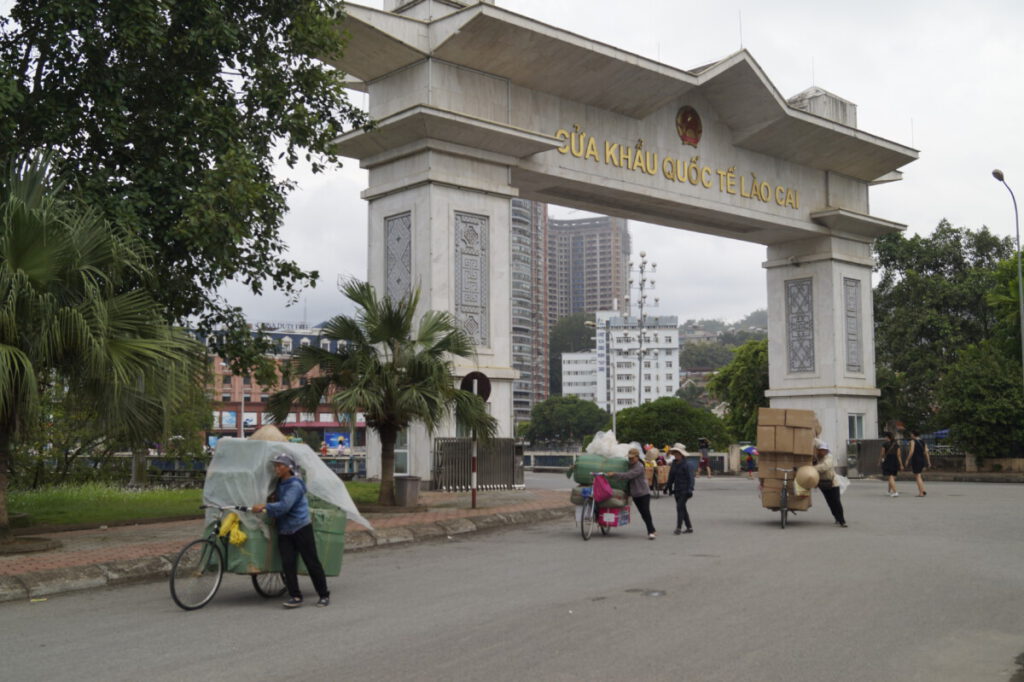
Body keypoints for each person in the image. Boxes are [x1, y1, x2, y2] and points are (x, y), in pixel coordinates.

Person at [252, 453, 330, 608]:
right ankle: (295, 596)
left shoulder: (294, 485)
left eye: (280, 465)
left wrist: (265, 506)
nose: (276, 468)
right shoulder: (280, 483)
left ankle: (323, 594)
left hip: (301, 528)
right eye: (275, 465)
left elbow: (285, 506)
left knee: (311, 562)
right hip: (285, 530)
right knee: (288, 564)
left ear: (288, 468)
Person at [607, 447, 657, 539]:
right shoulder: (629, 465)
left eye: (632, 458)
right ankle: (652, 528)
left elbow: (628, 475)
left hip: (644, 493)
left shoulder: (639, 467)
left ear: (637, 457)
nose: (630, 460)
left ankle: (651, 531)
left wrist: (614, 474)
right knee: (642, 513)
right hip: (635, 494)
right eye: (629, 458)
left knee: (646, 512)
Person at [813, 439, 847, 527]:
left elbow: (825, 466)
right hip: (822, 483)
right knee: (829, 502)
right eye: (821, 450)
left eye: (824, 450)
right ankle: (836, 517)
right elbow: (815, 440)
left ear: (827, 450)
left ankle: (842, 520)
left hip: (833, 482)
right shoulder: (816, 458)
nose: (822, 452)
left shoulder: (829, 457)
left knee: (836, 501)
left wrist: (813, 468)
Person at [664, 443, 694, 534]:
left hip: (685, 490)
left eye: (678, 453)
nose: (676, 455)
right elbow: (671, 477)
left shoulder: (687, 465)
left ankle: (679, 528)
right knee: (682, 508)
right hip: (677, 490)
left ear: (682, 454)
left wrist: (690, 489)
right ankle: (689, 527)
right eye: (675, 453)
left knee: (679, 507)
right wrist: (667, 487)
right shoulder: (674, 464)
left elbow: (691, 478)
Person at [903, 430, 931, 497]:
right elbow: (926, 452)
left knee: (917, 476)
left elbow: (911, 451)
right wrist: (929, 462)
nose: (910, 435)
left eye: (911, 434)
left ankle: (921, 493)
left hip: (916, 460)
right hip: (922, 460)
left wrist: (907, 460)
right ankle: (923, 490)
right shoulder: (923, 442)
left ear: (913, 434)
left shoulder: (913, 441)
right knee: (919, 476)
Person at [879, 432, 902, 497]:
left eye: (885, 437)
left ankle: (895, 492)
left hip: (888, 460)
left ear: (887, 437)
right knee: (892, 476)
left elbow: (882, 453)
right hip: (895, 460)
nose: (885, 438)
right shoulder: (896, 444)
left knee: (890, 476)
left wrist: (880, 460)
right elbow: (899, 455)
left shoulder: (885, 444)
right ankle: (889, 491)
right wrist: (901, 464)